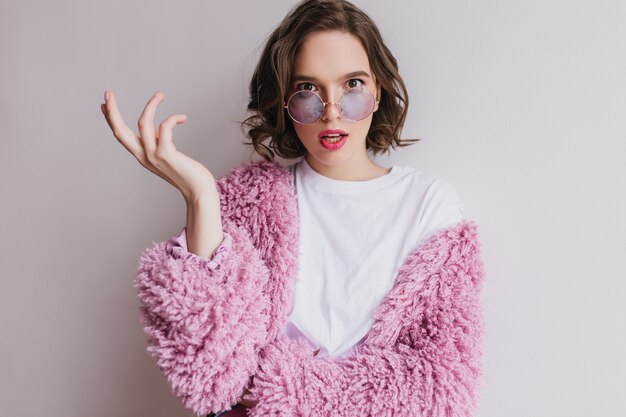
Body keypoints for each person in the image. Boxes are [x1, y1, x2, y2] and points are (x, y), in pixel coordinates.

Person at [100, 0, 486, 416]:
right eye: (308, 90)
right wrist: (200, 195)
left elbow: (441, 388)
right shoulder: (251, 202)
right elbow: (209, 374)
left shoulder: (428, 207)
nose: (332, 112)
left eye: (352, 85)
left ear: (378, 91)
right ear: (285, 102)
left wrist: (284, 388)